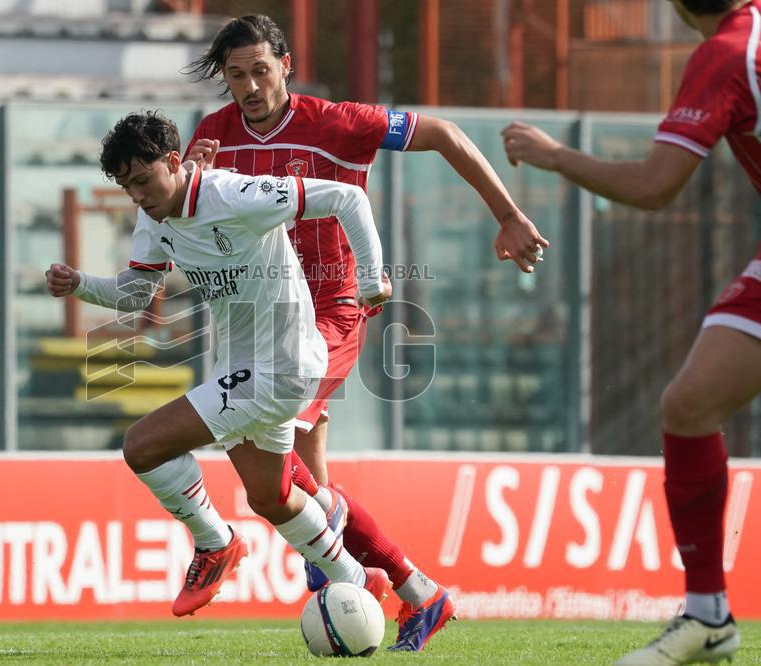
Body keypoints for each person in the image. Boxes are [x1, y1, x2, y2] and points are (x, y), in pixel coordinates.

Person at [182, 14, 550, 651]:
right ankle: (418, 592)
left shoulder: (336, 122)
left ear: (286, 65)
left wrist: (509, 215)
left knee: (270, 447)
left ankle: (334, 544)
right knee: (296, 479)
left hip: (332, 309)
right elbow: (189, 221)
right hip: (258, 319)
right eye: (236, 75)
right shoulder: (212, 134)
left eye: (260, 71)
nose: (248, 86)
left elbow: (446, 134)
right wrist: (191, 179)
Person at [46, 110, 394, 618]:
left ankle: (214, 543)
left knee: (142, 446)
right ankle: (359, 580)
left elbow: (348, 197)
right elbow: (137, 293)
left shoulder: (233, 195)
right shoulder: (153, 217)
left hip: (282, 365)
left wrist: (370, 279)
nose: (139, 196)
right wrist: (79, 283)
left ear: (172, 161)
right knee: (272, 498)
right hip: (244, 367)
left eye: (144, 181)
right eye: (128, 187)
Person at [501, 1, 761, 663]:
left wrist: (555, 156)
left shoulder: (727, 55)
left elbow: (654, 186)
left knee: (690, 406)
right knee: (690, 405)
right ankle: (709, 617)